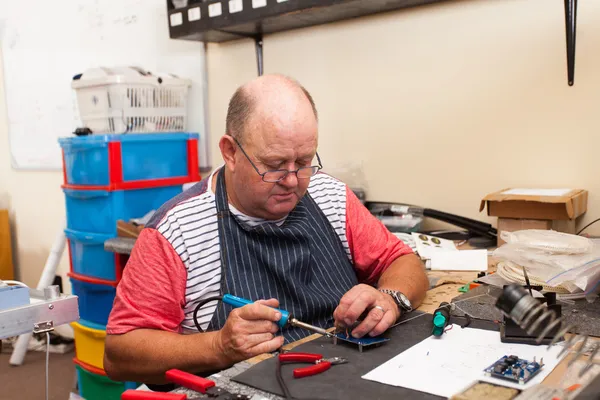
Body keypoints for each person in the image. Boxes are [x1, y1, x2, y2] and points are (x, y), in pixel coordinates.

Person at [104, 74, 428, 384]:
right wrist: (218, 346)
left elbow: (402, 261)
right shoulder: (178, 231)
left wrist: (389, 299)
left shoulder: (329, 196)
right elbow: (120, 354)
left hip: (344, 374)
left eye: (303, 161)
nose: (291, 180)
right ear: (230, 152)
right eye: (274, 165)